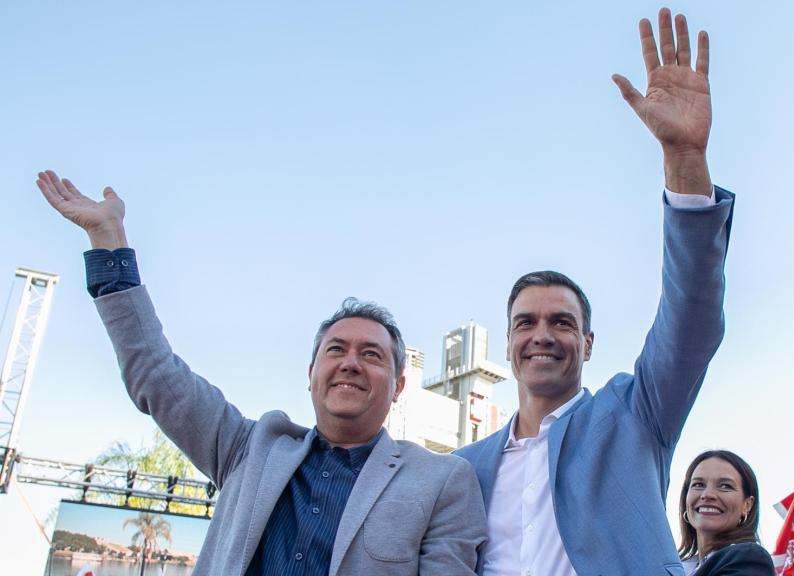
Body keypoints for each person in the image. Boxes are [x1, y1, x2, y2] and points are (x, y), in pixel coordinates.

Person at [36, 170, 487, 575]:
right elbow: (155, 373)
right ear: (311, 372)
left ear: (399, 386)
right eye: (336, 349)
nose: (350, 362)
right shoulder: (246, 447)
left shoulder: (442, 481)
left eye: (371, 355)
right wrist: (110, 243)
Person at [454, 8, 734, 575]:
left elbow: (691, 321)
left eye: (561, 322)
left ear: (587, 343)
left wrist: (685, 162)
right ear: (507, 343)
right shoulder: (462, 469)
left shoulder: (634, 416)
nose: (542, 335)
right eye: (526, 322)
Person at [678, 450, 775, 575]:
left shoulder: (749, 559)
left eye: (725, 486)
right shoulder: (679, 566)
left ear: (747, 505)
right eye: (698, 484)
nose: (707, 495)